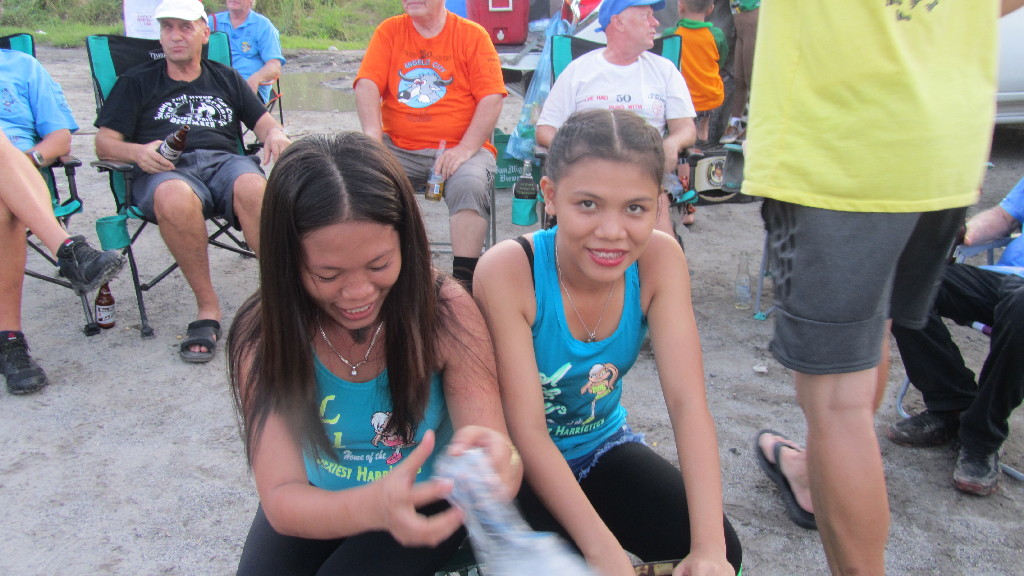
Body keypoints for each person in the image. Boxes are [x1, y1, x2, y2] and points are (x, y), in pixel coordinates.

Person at [746, 1, 1024, 574]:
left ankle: (821, 479)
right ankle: (813, 470)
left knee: (836, 402)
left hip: (844, 144)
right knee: (871, 341)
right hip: (943, 147)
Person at [227, 132, 521, 575]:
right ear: (286, 262)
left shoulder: (444, 313)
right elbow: (282, 497)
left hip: (426, 495)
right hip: (315, 496)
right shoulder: (264, 335)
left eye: (379, 265)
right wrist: (371, 505)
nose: (359, 293)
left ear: (407, 242)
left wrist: (497, 462)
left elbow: (496, 445)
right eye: (328, 275)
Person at [475, 109, 742, 576]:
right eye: (588, 204)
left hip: (599, 445)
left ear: (659, 204)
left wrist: (709, 548)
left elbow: (688, 404)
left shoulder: (660, 260)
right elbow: (528, 432)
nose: (612, 232)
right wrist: (603, 552)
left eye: (635, 208)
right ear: (551, 196)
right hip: (517, 465)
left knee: (721, 553)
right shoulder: (509, 271)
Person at [94, 0, 291, 363]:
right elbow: (104, 143)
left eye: (185, 27)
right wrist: (137, 153)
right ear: (160, 35)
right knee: (174, 196)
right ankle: (207, 308)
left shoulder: (225, 77)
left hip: (225, 163)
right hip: (167, 170)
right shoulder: (136, 81)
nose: (175, 36)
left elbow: (264, 124)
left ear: (204, 32)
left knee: (255, 187)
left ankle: (283, 300)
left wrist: (275, 134)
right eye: (167, 27)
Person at [354, 0, 505, 292]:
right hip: (399, 147)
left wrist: (465, 148)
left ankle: (464, 286)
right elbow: (367, 84)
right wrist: (372, 140)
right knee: (363, 180)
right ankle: (384, 274)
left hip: (463, 148)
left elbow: (492, 98)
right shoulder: (389, 31)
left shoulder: (472, 35)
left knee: (470, 184)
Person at [888, 178, 1024, 496]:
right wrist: (964, 232)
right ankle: (951, 403)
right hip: (1005, 281)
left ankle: (981, 438)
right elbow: (1004, 217)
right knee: (905, 280)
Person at [535, 0, 698, 234]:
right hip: (589, 173)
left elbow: (686, 128)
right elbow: (545, 129)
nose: (655, 22)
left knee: (657, 213)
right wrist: (578, 153)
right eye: (646, 16)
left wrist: (672, 144)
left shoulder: (664, 70)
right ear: (618, 21)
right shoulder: (579, 71)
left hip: (645, 171)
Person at [1, 129, 125, 395]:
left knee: (4, 204)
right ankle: (68, 250)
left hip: (21, 179)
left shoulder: (30, 94)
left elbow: (60, 139)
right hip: (20, 181)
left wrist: (24, 161)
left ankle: (8, 341)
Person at [670, 0, 728, 146]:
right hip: (711, 96)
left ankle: (685, 141)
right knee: (703, 123)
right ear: (710, 9)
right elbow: (721, 62)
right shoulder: (717, 35)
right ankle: (703, 135)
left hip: (684, 99)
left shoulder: (672, 34)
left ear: (681, 5)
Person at [208, 0, 286, 104]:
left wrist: (255, 79)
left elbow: (274, 66)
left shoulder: (263, 26)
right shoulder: (212, 22)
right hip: (215, 86)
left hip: (249, 90)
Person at [717, 0, 757, 144]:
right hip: (740, 27)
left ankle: (755, 124)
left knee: (751, 77)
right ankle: (735, 123)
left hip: (753, 21)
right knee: (739, 78)